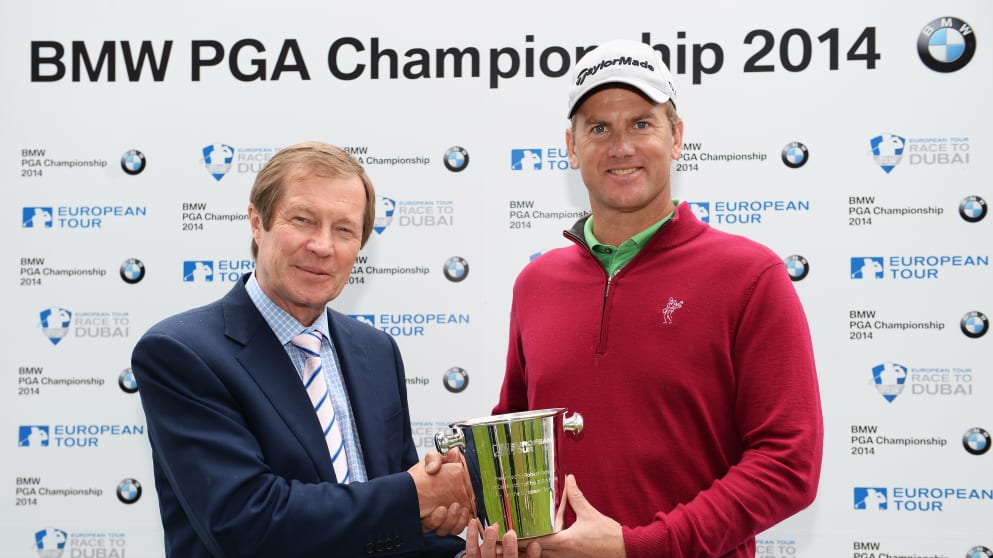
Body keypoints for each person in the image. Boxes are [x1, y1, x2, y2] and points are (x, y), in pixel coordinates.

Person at [467, 39, 823, 557]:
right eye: (598, 128)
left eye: (641, 123)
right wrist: (476, 498)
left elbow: (788, 463)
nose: (621, 147)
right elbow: (515, 435)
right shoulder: (535, 283)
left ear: (676, 137)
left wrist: (641, 545)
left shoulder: (751, 275)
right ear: (570, 146)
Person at [131, 141, 472, 558]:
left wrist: (461, 547)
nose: (322, 246)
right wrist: (413, 496)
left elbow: (392, 529)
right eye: (303, 220)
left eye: (344, 230)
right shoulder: (181, 353)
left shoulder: (376, 351)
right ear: (257, 222)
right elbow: (246, 522)